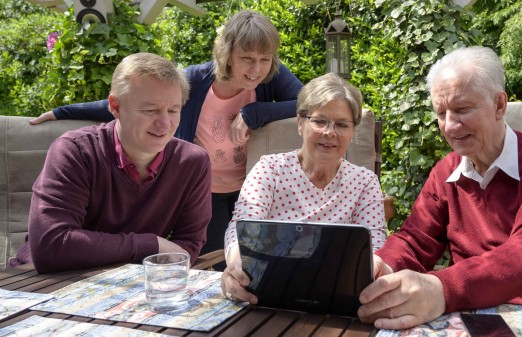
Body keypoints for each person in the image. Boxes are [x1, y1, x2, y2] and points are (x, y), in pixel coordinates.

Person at [356, 46, 522, 329]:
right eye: (441, 113)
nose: (450, 126)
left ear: (499, 105)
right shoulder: (446, 172)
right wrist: (381, 265)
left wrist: (442, 289)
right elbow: (415, 240)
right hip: (477, 318)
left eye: (463, 109)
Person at [29, 10, 303, 265]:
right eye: (247, 58)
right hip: (208, 189)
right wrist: (61, 111)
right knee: (210, 263)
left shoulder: (271, 78)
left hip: (246, 189)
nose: (257, 68)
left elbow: (308, 103)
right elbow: (133, 100)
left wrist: (257, 112)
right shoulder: (195, 79)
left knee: (250, 262)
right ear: (228, 54)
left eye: (264, 59)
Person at [8, 52, 212, 273]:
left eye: (173, 110)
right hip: (38, 283)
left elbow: (187, 248)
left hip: (128, 288)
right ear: (115, 106)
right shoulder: (75, 151)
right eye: (150, 110)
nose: (165, 124)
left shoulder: (192, 163)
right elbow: (51, 246)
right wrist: (151, 244)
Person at [220, 73, 388, 304]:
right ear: (300, 123)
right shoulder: (270, 169)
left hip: (338, 299)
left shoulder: (365, 182)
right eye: (320, 121)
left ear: (353, 131)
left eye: (341, 124)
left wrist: (375, 268)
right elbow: (242, 226)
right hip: (267, 296)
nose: (330, 132)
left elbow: (376, 244)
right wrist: (236, 265)